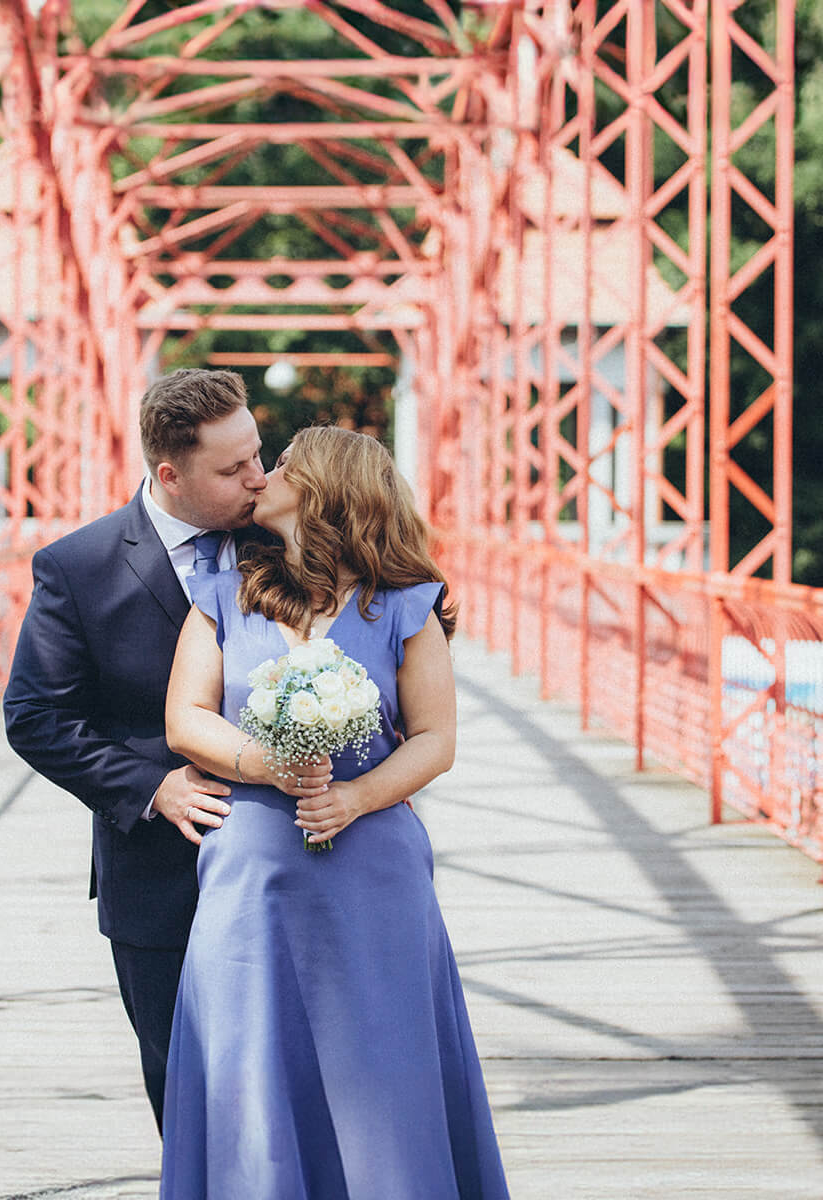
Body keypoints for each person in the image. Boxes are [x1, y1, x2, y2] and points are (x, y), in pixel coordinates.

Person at [160, 426, 510, 1199]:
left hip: (373, 866)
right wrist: (264, 765)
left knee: (385, 1063)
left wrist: (355, 797)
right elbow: (185, 718)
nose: (263, 476)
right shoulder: (224, 594)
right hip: (252, 870)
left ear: (325, 491)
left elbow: (436, 739)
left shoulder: (407, 607)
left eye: (283, 465)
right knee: (251, 1054)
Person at [2, 368, 267, 1132]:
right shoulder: (77, 568)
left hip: (291, 855)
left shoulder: (285, 536)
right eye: (233, 468)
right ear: (170, 475)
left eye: (258, 452)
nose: (259, 477)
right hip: (158, 870)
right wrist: (153, 788)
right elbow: (35, 716)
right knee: (182, 1082)